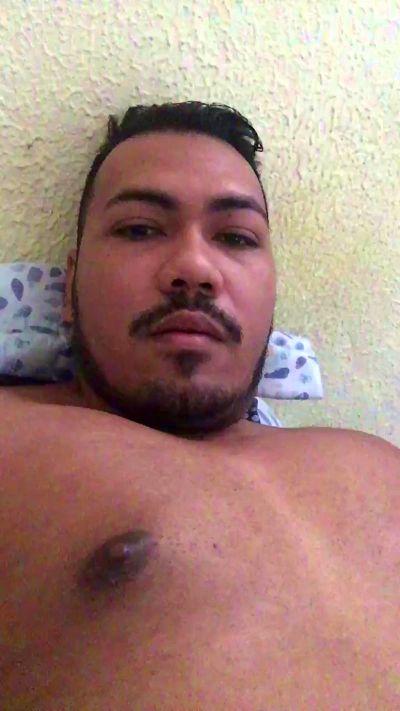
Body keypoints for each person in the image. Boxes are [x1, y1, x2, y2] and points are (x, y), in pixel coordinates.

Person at [1, 101, 399, 710]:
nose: (193, 267)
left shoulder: (377, 463)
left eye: (236, 237)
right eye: (140, 229)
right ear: (70, 288)